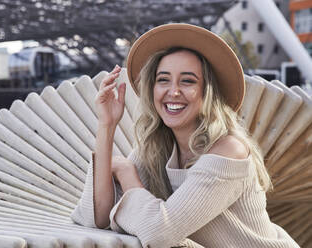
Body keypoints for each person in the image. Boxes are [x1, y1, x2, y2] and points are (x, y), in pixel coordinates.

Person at [71, 23, 299, 248]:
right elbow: (98, 216)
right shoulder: (158, 147)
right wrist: (107, 125)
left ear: (207, 92)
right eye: (163, 80)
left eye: (188, 81)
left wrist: (125, 172)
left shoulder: (229, 150)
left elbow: (159, 232)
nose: (174, 91)